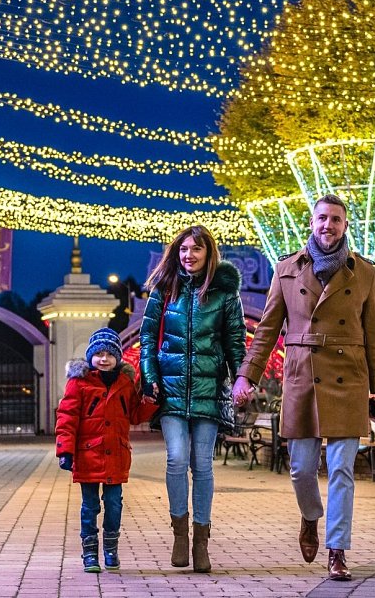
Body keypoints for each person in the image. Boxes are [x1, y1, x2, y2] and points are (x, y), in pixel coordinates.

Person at [233, 194, 375, 581]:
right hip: (302, 376)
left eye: (336, 219)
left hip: (349, 376)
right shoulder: (286, 269)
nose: (328, 225)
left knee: (341, 471)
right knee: (301, 469)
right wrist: (246, 375)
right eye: (322, 218)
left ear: (345, 225)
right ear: (312, 223)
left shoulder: (364, 273)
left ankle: (337, 549)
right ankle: (310, 516)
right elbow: (267, 329)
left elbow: (372, 335)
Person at [139, 225, 246, 573]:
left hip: (208, 391)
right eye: (184, 249)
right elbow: (146, 339)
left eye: (196, 249)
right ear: (176, 253)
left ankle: (202, 541)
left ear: (208, 253)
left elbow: (235, 343)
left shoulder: (225, 294)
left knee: (202, 465)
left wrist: (240, 380)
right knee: (175, 458)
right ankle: (180, 533)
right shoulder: (164, 290)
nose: (189, 255)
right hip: (170, 390)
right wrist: (151, 377)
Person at [55, 327, 158, 573]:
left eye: (109, 354)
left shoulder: (124, 383)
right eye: (99, 354)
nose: (104, 359)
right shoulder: (79, 383)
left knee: (114, 504)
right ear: (90, 356)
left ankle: (111, 548)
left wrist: (150, 401)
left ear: (117, 358)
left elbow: (134, 415)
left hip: (117, 454)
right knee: (90, 506)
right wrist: (65, 451)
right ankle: (90, 552)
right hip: (88, 454)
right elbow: (67, 416)